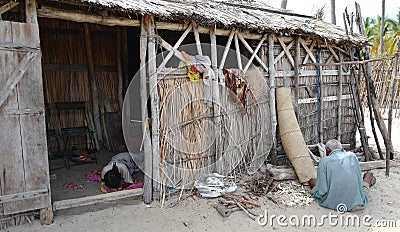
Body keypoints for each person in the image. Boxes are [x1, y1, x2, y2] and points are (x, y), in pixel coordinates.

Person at [308, 139, 376, 212]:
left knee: (312, 181)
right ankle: (369, 179)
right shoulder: (352, 156)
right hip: (357, 203)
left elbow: (323, 190)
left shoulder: (324, 161)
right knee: (369, 174)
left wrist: (315, 191)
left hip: (335, 203)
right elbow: (359, 180)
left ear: (327, 150)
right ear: (342, 149)